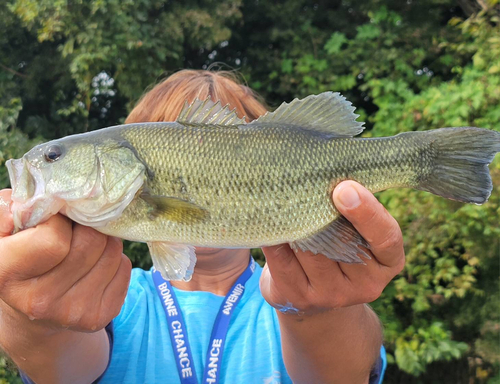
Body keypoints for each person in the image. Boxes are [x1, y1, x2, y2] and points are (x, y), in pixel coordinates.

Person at [0, 70, 404, 383]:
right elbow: (64, 368)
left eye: (53, 156)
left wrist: (317, 313)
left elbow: (345, 374)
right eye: (165, 131)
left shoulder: (295, 296)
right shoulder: (108, 300)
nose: (44, 161)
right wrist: (31, 319)